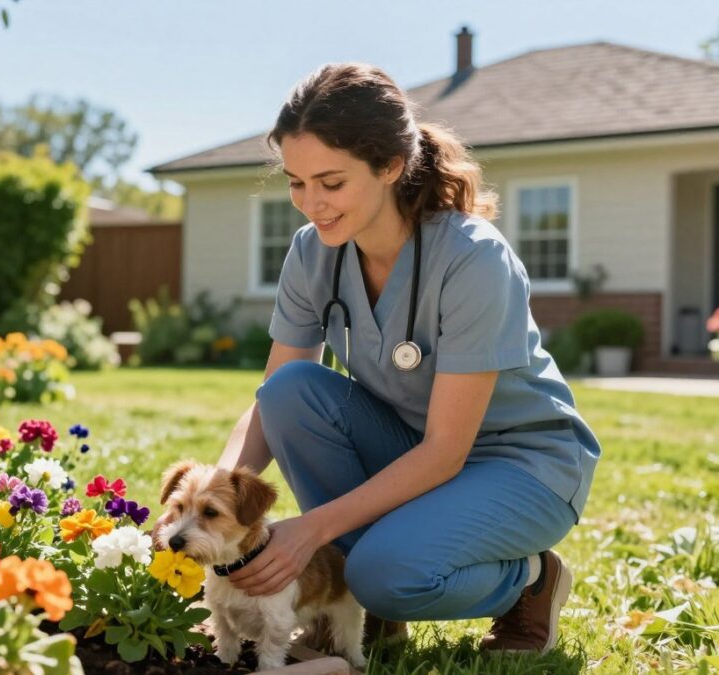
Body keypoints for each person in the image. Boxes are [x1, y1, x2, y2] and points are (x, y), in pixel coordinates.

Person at [214, 63, 601, 654]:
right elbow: (271, 402)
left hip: (521, 465)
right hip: (411, 448)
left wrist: (310, 532)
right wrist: (215, 490)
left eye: (332, 182)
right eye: (296, 183)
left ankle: (530, 581)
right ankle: (366, 603)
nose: (311, 204)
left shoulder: (473, 259)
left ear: (391, 166)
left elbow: (447, 451)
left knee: (385, 577)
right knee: (291, 391)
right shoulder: (312, 253)